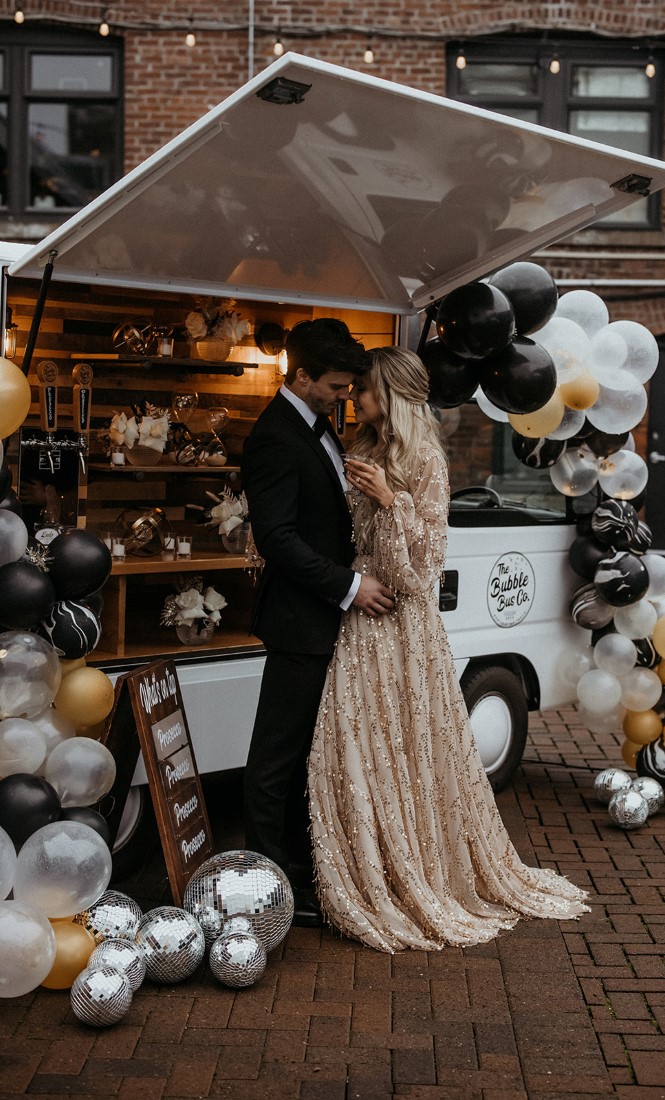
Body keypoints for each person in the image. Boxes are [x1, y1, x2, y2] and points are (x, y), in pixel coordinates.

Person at [308, 346, 589, 951]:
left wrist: (392, 500)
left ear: (392, 395)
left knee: (408, 750)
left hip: (404, 628)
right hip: (361, 619)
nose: (354, 399)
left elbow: (422, 575)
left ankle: (414, 876)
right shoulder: (361, 448)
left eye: (365, 390)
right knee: (353, 749)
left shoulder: (428, 461)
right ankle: (367, 869)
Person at [241, 319, 394, 927]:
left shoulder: (319, 426)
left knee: (309, 752)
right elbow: (275, 539)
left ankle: (300, 872)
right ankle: (271, 882)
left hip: (321, 622)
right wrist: (351, 587)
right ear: (300, 376)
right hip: (301, 622)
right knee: (276, 757)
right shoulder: (276, 437)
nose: (344, 396)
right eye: (334, 386)